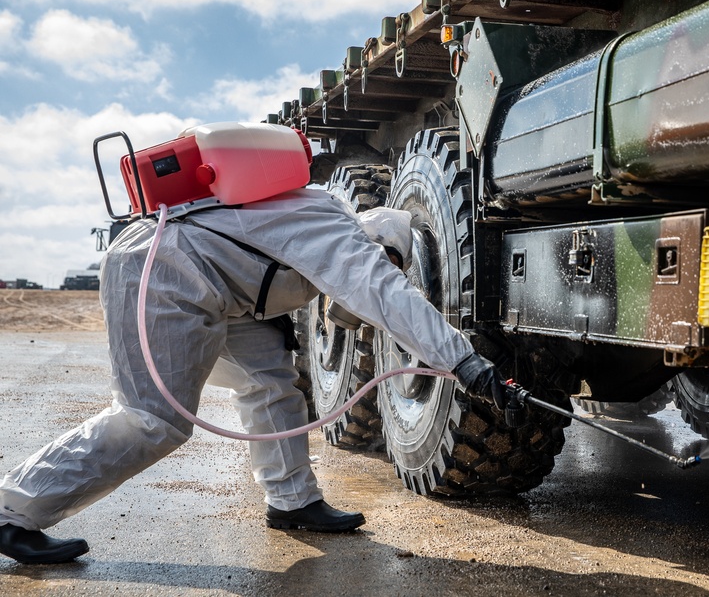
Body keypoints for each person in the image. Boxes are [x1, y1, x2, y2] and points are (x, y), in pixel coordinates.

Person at [0, 188, 503, 564]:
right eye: (387, 261)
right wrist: (465, 363)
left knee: (272, 381)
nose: (384, 269)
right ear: (378, 243)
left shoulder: (315, 221)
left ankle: (292, 500)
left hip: (217, 282)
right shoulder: (339, 232)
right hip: (165, 269)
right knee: (153, 420)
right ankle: (13, 511)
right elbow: (386, 296)